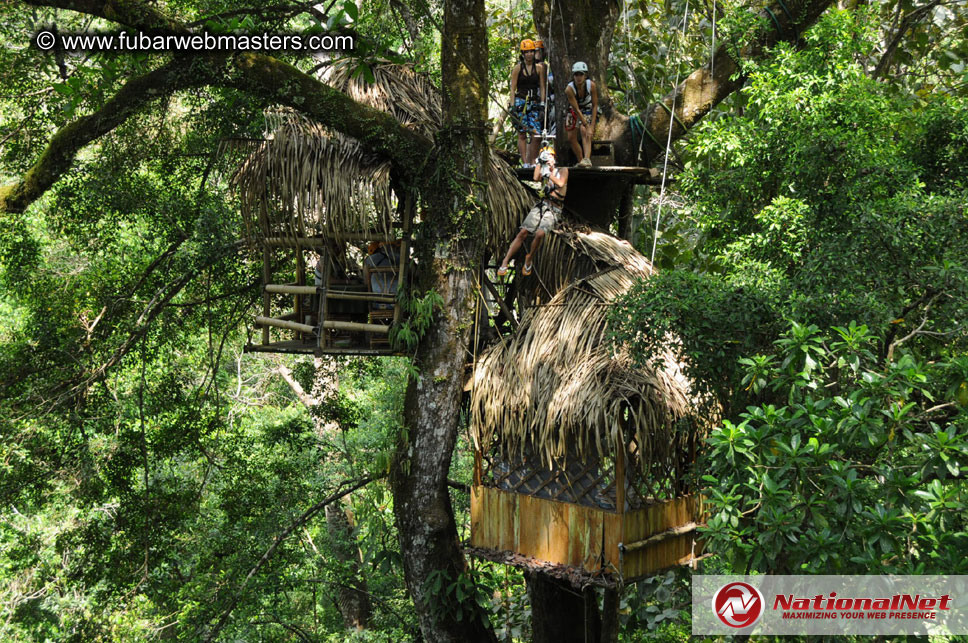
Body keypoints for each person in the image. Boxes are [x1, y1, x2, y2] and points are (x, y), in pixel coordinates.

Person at [497, 146, 568, 276]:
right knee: (523, 232)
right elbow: (536, 178)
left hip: (554, 209)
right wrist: (539, 163)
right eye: (546, 157)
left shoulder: (562, 170)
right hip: (542, 205)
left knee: (540, 234)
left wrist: (548, 173)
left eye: (550, 157)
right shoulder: (544, 169)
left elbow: (561, 183)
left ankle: (529, 257)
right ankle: (505, 261)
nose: (548, 160)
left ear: (554, 158)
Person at [509, 39, 546, 167]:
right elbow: (513, 88)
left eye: (531, 51)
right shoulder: (517, 69)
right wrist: (512, 106)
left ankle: (533, 161)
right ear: (523, 54)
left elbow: (542, 87)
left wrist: (542, 104)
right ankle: (525, 163)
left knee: (536, 133)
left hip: (534, 102)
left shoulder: (540, 68)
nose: (529, 54)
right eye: (527, 52)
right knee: (522, 132)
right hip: (520, 102)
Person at [565, 61, 598, 167]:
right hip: (575, 110)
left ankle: (587, 159)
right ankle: (580, 160)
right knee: (571, 137)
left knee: (585, 132)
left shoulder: (591, 85)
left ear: (585, 75)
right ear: (573, 76)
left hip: (588, 108)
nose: (578, 77)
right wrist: (586, 125)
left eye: (581, 74)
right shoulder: (569, 89)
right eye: (576, 74)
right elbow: (576, 109)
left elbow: (595, 105)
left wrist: (591, 126)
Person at [535, 40, 555, 136]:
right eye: (536, 51)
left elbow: (550, 85)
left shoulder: (547, 68)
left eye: (540, 51)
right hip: (536, 102)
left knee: (547, 130)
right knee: (535, 132)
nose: (538, 54)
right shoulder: (529, 68)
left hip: (548, 103)